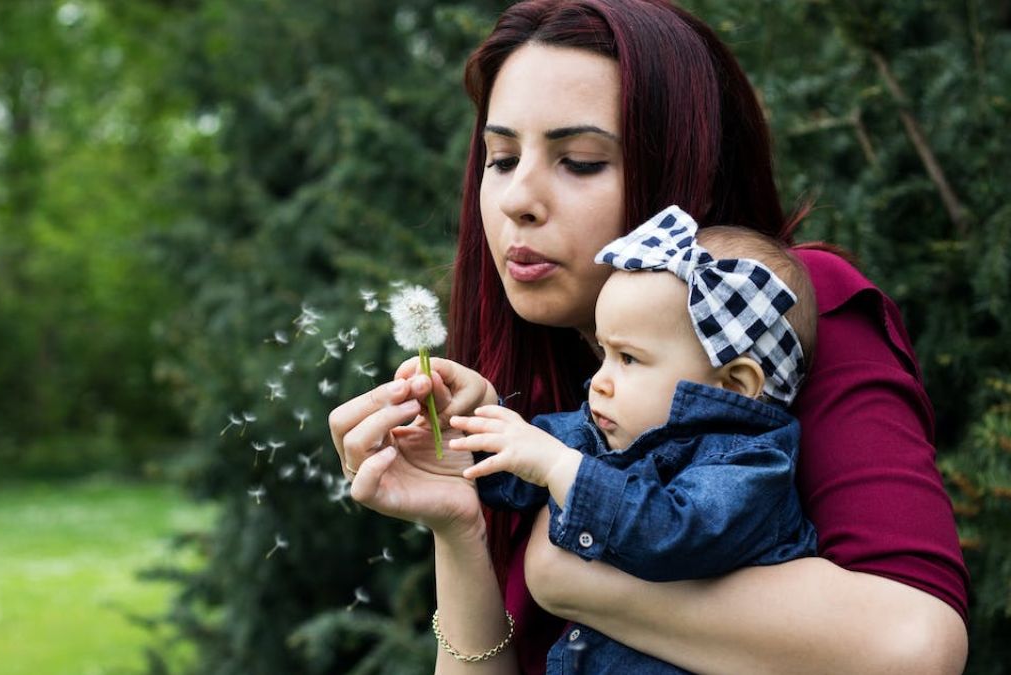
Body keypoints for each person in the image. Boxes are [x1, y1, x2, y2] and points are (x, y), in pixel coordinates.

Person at [328, 1, 969, 673]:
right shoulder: (547, 387)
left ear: (683, 165)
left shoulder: (780, 312)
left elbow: (913, 646)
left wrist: (562, 568)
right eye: (503, 157)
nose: (519, 197)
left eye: (577, 160)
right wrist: (457, 524)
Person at [450, 206, 820, 673]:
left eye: (628, 359)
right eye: (604, 353)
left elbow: (671, 533)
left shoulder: (751, 467)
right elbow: (522, 463)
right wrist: (461, 435)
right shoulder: (609, 431)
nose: (599, 381)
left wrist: (561, 468)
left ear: (733, 386)